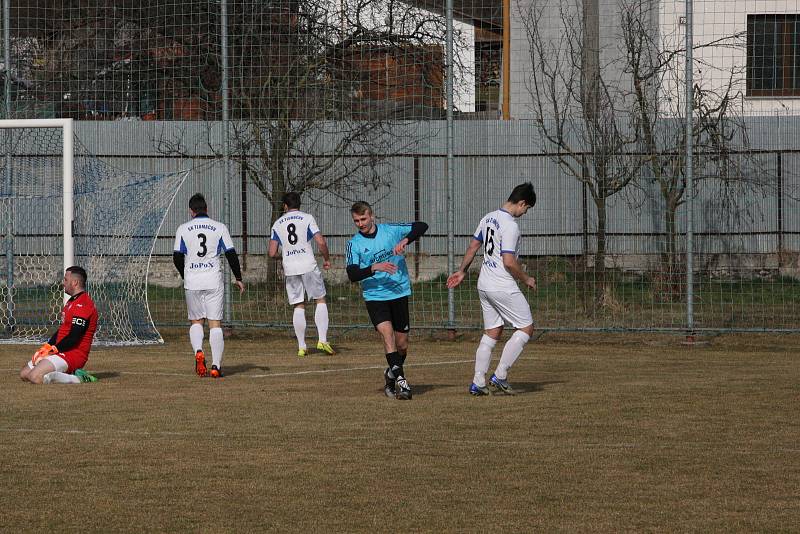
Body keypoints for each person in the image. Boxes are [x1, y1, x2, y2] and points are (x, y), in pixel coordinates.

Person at [446, 182, 538, 396]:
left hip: (484, 284)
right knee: (526, 328)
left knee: (493, 332)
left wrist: (462, 271)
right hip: (501, 284)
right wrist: (526, 279)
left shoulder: (488, 217)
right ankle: (501, 375)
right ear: (522, 203)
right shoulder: (510, 225)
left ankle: (478, 382)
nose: (525, 213)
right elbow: (508, 260)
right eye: (527, 208)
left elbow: (473, 247)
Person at [346, 201, 428, 400]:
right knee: (387, 335)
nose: (360, 224)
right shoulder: (354, 244)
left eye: (363, 219)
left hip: (399, 292)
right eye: (356, 221)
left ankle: (391, 374)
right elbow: (352, 274)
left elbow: (422, 226)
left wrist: (406, 240)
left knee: (402, 345)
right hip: (375, 296)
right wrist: (374, 267)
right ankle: (403, 383)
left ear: (371, 216)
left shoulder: (390, 231)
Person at [173, 193, 245, 378]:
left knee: (196, 321)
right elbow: (231, 254)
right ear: (207, 209)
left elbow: (177, 257)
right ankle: (216, 366)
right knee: (215, 324)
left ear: (191, 211)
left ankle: (198, 351)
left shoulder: (183, 228)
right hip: (213, 280)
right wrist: (238, 277)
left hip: (193, 281)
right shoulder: (219, 227)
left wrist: (185, 274)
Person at [269, 192, 335, 357]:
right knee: (320, 299)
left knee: (298, 304)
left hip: (290, 268)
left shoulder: (277, 224)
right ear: (299, 204)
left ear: (285, 206)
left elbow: (271, 252)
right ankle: (322, 340)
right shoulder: (307, 218)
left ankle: (301, 346)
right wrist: (326, 258)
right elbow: (320, 241)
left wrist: (284, 255)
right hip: (307, 264)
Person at [20, 266, 99, 385]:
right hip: (61, 350)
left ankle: (80, 378)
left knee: (35, 377)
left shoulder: (83, 304)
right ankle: (68, 373)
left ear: (75, 282)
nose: (63, 283)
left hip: (74, 354)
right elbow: (62, 330)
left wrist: (53, 350)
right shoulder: (71, 302)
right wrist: (46, 347)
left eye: (65, 280)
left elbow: (74, 337)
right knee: (24, 374)